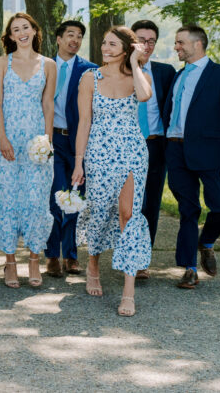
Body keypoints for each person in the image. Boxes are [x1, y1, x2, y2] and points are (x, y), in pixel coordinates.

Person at [73, 26, 152, 316]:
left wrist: (134, 62)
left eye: (113, 44)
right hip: (98, 153)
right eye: (104, 43)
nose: (105, 48)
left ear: (126, 48)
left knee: (128, 213)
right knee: (100, 209)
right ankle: (93, 263)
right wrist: (78, 161)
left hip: (132, 151)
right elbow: (84, 122)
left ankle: (128, 292)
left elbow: (144, 97)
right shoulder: (89, 78)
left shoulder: (138, 78)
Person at [163, 25, 220, 289]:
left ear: (197, 44)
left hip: (213, 154)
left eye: (180, 42)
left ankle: (207, 242)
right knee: (188, 210)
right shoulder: (177, 76)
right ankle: (189, 269)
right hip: (176, 151)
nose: (176, 47)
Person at [0, 13, 57, 287]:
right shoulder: (1, 63)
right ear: (11, 36)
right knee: (8, 199)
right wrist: (1, 138)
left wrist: (47, 140)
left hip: (36, 141)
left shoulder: (48, 65)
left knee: (36, 200)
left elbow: (48, 104)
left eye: (25, 27)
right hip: (9, 139)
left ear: (34, 30)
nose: (22, 32)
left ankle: (35, 259)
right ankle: (10, 262)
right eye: (16, 30)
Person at [45, 21, 96, 278]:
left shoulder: (90, 70)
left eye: (79, 36)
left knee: (75, 197)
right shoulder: (44, 65)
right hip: (51, 140)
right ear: (58, 38)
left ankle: (71, 255)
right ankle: (52, 255)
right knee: (55, 197)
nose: (74, 40)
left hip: (78, 142)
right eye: (70, 35)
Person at [130, 20, 176, 279]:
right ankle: (126, 250)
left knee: (151, 203)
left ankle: (142, 259)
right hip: (126, 145)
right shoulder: (120, 70)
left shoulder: (165, 72)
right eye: (140, 40)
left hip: (156, 145)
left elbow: (185, 96)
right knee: (127, 203)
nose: (145, 46)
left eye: (150, 41)